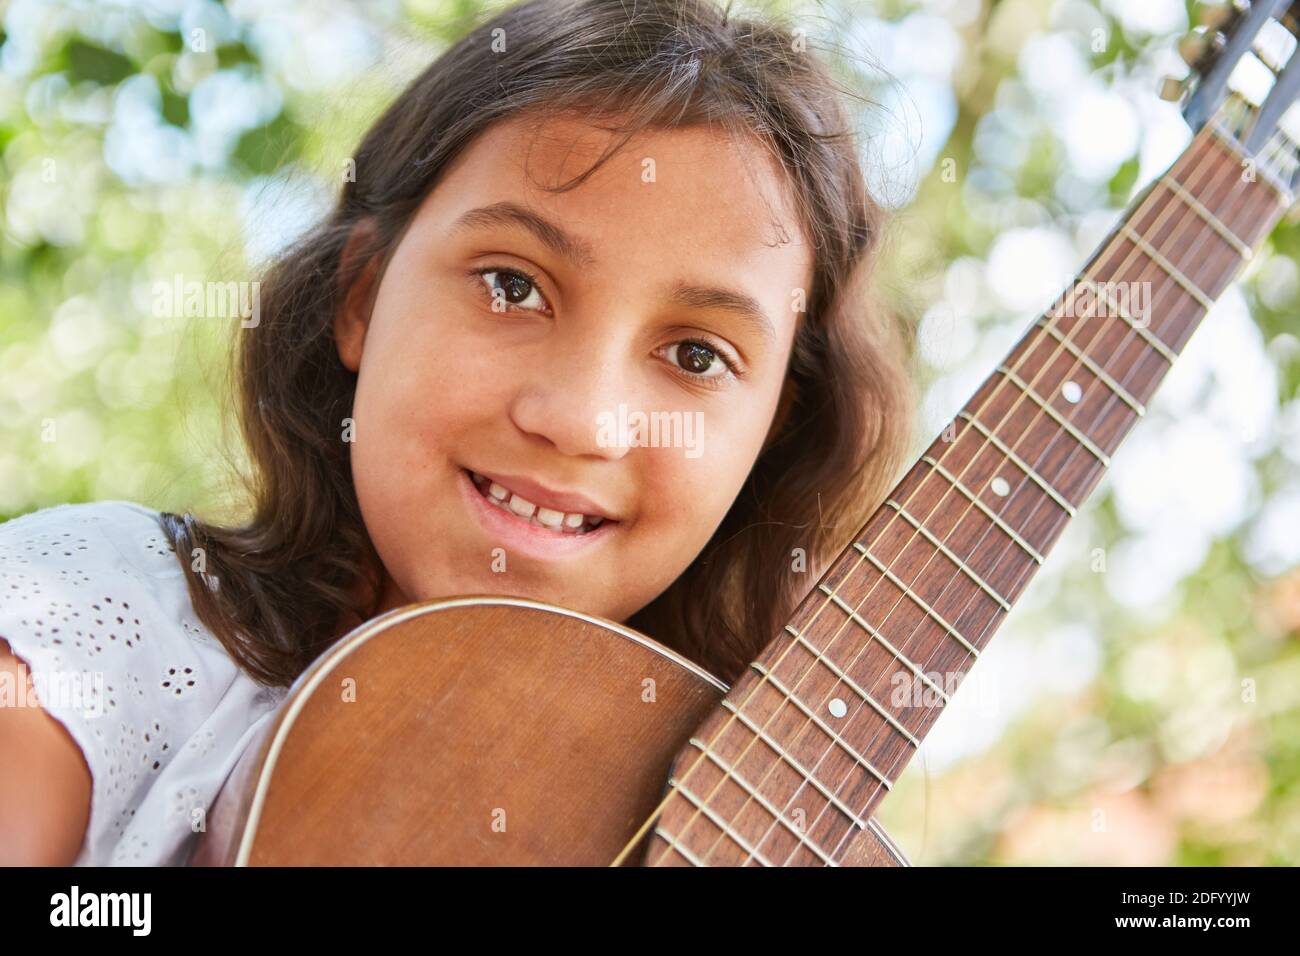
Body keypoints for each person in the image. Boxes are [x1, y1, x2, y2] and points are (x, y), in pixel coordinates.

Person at [0, 0, 912, 866]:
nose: (580, 419)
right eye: (512, 285)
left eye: (697, 355)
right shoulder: (105, 618)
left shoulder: (745, 823)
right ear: (363, 297)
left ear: (769, 435)